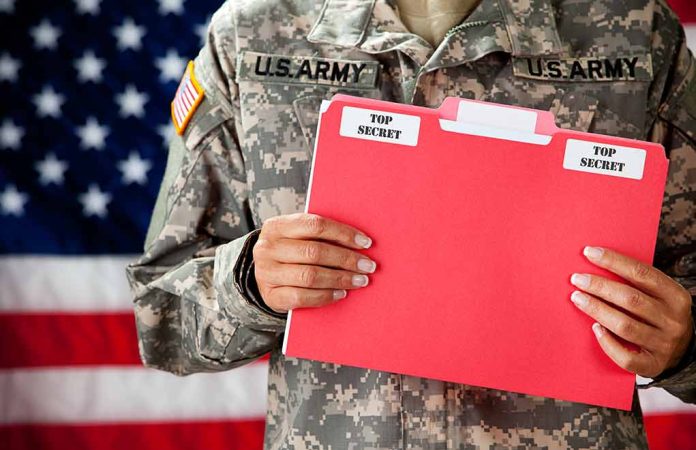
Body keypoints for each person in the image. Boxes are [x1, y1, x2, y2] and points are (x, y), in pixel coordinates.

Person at [126, 0, 696, 447]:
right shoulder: (252, 34)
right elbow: (162, 316)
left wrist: (685, 340)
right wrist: (247, 280)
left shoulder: (634, 28)